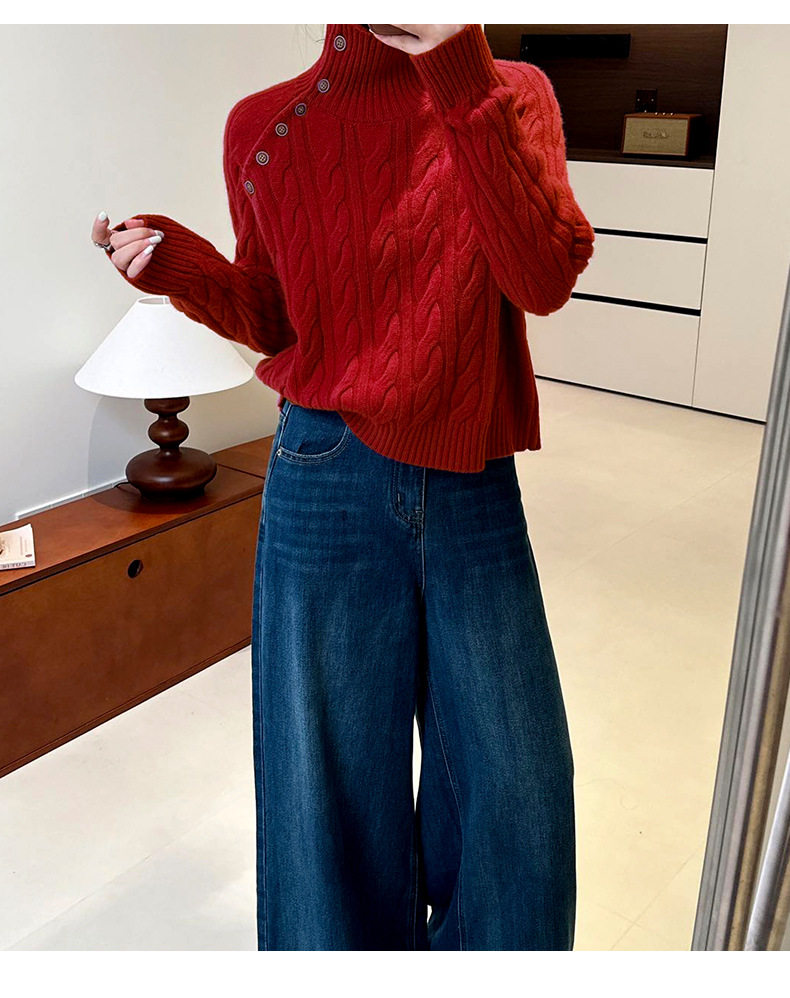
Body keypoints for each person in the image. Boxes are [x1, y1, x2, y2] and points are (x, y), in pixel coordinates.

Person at [90, 23, 595, 951]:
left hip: (472, 480)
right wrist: (185, 269)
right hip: (322, 477)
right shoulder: (263, 124)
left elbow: (544, 275)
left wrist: (457, 68)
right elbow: (276, 317)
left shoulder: (508, 88)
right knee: (327, 797)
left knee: (519, 796)